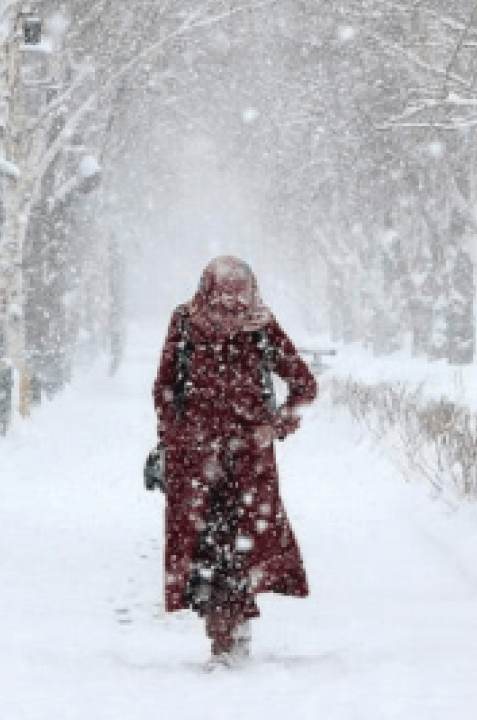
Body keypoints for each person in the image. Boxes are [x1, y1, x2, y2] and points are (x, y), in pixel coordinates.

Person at [152, 256, 318, 668]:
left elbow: (303, 386)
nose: (230, 304)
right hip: (208, 463)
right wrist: (177, 437)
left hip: (234, 463)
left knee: (225, 547)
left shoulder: (258, 326)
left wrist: (275, 426)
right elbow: (166, 388)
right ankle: (225, 635)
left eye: (236, 294)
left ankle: (230, 636)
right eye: (224, 294)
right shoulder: (188, 323)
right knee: (215, 548)